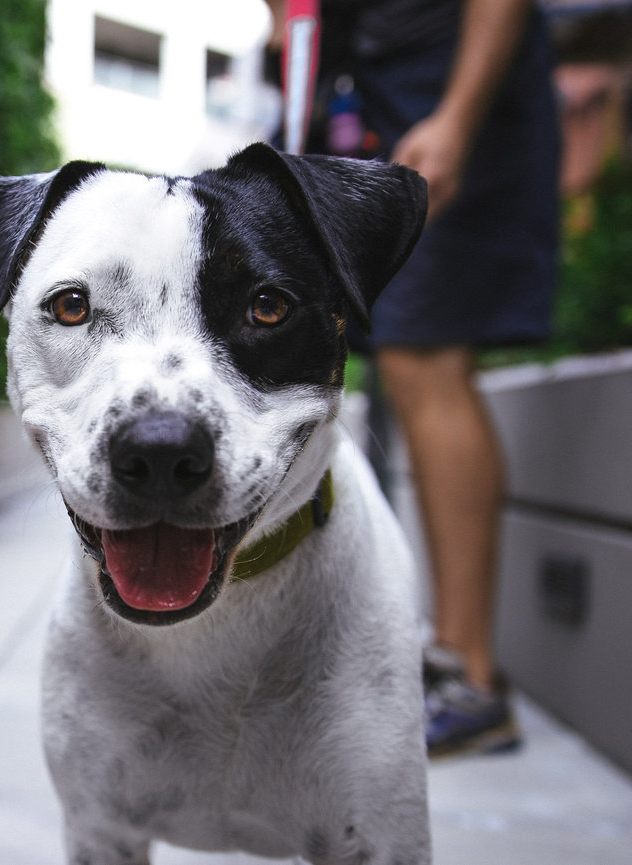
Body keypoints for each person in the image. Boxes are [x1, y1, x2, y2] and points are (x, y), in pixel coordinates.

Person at [266, 0, 561, 758]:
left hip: (453, 84)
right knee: (360, 350)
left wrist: (458, 116)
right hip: (363, 82)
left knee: (423, 356)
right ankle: (416, 658)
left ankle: (470, 679)